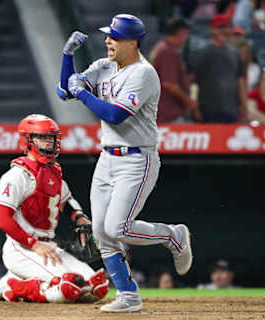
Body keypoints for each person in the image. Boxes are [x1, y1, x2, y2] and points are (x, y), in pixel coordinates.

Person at [57, 14, 193, 313]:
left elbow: (116, 115)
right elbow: (65, 90)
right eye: (108, 36)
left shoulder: (143, 73)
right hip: (107, 158)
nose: (108, 41)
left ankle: (173, 235)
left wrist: (82, 92)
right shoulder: (104, 65)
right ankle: (129, 296)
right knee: (102, 233)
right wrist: (68, 57)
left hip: (137, 159)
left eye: (115, 37)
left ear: (133, 42)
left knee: (118, 228)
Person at [0, 114, 109, 304]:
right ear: (28, 140)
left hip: (49, 247)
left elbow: (66, 201)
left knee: (95, 288)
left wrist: (80, 218)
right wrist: (34, 245)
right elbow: (2, 220)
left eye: (51, 138)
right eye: (43, 137)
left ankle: (8, 282)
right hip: (22, 248)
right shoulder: (16, 175)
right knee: (68, 289)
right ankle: (13, 287)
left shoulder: (54, 172)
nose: (49, 142)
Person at [190, 14, 248, 122]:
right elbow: (191, 82)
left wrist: (244, 106)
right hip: (207, 111)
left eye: (226, 27)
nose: (223, 31)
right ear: (212, 29)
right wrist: (194, 107)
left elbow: (240, 81)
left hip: (231, 110)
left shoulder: (235, 54)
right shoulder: (201, 53)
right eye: (219, 27)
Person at [149, 18, 198, 123]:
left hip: (159, 111)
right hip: (168, 113)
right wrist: (188, 101)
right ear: (181, 33)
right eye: (186, 34)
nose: (186, 38)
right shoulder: (168, 51)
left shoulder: (159, 48)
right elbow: (169, 84)